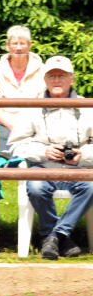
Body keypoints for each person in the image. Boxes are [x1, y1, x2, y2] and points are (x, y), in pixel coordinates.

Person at [9, 56, 93, 260]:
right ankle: (60, 237)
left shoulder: (86, 106)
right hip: (42, 166)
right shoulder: (33, 106)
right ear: (45, 80)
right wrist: (43, 152)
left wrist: (83, 155)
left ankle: (53, 236)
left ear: (71, 79)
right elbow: (15, 145)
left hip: (79, 169)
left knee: (91, 186)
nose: (57, 80)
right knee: (36, 188)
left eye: (61, 76)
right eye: (52, 76)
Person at [0, 25, 45, 154]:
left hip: (35, 127)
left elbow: (45, 103)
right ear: (7, 45)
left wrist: (26, 127)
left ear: (29, 45)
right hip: (4, 126)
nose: (19, 48)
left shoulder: (43, 70)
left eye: (22, 43)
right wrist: (10, 125)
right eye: (15, 43)